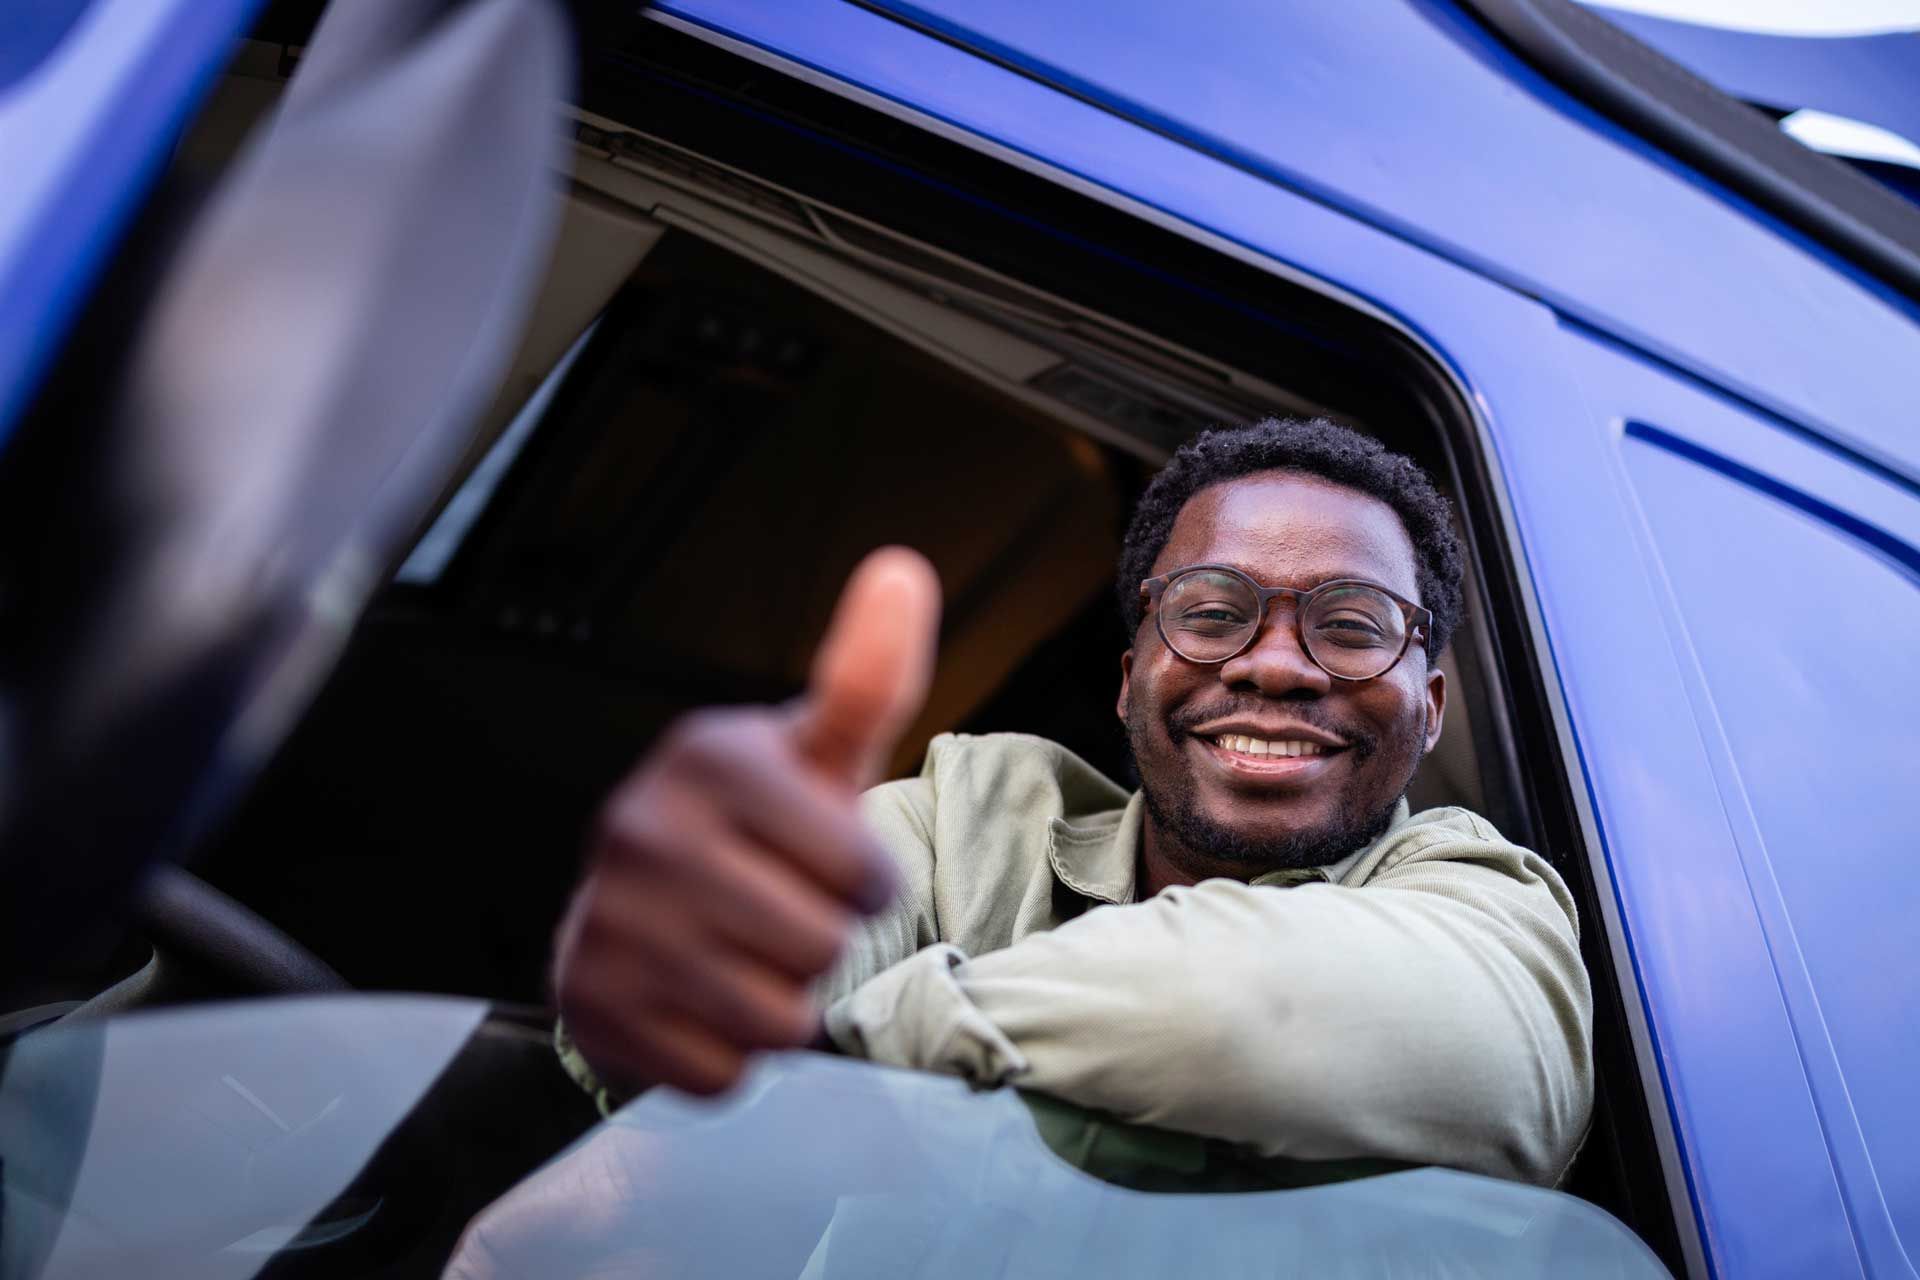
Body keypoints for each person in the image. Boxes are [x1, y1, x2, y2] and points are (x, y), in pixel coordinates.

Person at [550, 417, 1592, 1187]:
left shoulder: (1487, 902)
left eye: (1355, 625)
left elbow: (1254, 1016)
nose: (1276, 666)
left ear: (1431, 707)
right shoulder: (970, 815)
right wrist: (701, 967)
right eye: (1213, 611)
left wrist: (844, 1061)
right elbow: (773, 964)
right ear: (1131, 672)